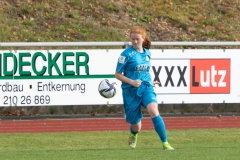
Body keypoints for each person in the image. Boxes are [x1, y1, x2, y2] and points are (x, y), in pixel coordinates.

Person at [115, 26, 174, 150]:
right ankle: (134, 133)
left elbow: (144, 72)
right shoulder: (125, 55)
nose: (135, 42)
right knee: (137, 126)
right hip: (130, 92)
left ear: (143, 38)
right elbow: (117, 74)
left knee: (153, 110)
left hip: (146, 88)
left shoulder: (147, 52)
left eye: (137, 39)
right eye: (132, 39)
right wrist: (131, 82)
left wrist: (150, 82)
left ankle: (165, 143)